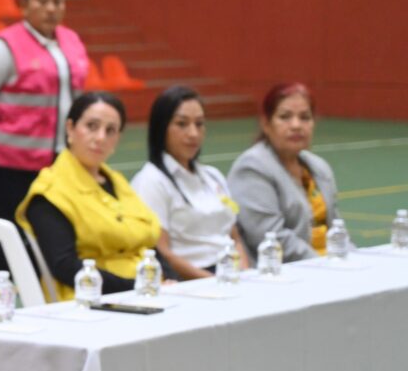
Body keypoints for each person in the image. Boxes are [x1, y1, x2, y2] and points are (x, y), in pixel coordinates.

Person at [0, 0, 89, 228]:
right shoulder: (3, 46)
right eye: (42, 1)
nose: (51, 8)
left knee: (54, 229)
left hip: (60, 158)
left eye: (57, 1)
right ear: (24, 5)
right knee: (13, 231)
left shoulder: (72, 41)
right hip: (10, 163)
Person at [16, 92, 161, 300]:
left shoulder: (117, 181)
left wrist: (170, 279)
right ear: (70, 128)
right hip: (89, 299)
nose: (101, 137)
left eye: (110, 130)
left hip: (147, 289)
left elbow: (151, 243)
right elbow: (65, 266)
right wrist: (138, 286)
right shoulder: (49, 192)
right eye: (92, 126)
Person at [131, 87, 249, 278]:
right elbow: (163, 253)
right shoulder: (151, 181)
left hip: (231, 274)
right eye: (182, 124)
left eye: (199, 124)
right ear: (161, 127)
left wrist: (243, 274)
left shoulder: (213, 176)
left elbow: (235, 238)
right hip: (193, 280)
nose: (193, 133)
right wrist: (213, 281)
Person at [228, 83, 338, 262]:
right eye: (285, 117)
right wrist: (325, 265)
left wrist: (352, 258)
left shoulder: (319, 167)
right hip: (284, 271)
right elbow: (272, 238)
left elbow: (336, 229)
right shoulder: (252, 168)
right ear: (266, 124)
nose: (296, 125)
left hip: (328, 263)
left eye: (305, 117)